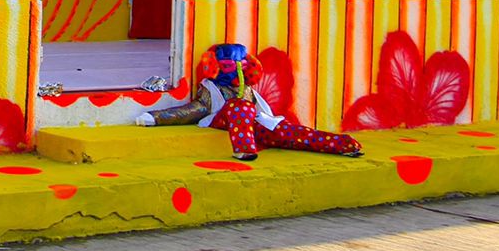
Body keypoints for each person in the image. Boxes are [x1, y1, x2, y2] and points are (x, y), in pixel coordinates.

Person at [135, 43, 362, 161]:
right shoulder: (210, 88)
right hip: (224, 120)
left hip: (256, 123)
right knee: (239, 106)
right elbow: (192, 110)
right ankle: (243, 149)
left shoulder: (247, 89)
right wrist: (156, 118)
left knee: (289, 132)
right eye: (229, 65)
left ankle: (343, 145)